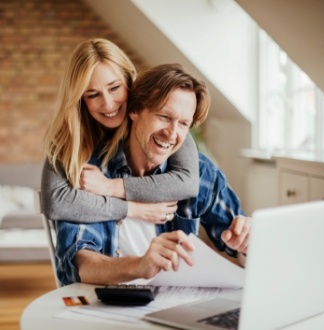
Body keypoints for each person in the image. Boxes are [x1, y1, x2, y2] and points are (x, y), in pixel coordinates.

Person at [54, 63, 251, 286]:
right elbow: (82, 264)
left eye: (183, 123)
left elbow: (239, 245)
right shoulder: (90, 174)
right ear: (134, 110)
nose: (172, 134)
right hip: (108, 306)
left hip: (176, 305)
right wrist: (139, 265)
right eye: (164, 117)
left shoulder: (200, 172)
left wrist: (246, 245)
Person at [41, 38, 202, 226]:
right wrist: (133, 209)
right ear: (80, 99)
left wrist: (109, 187)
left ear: (129, 80)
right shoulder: (70, 138)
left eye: (115, 88)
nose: (108, 104)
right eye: (93, 94)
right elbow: (56, 202)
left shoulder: (157, 119)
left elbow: (187, 182)